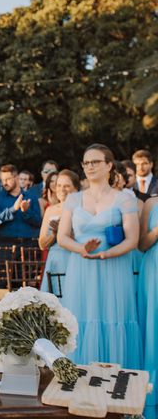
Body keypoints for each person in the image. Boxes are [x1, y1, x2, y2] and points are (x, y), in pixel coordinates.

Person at [57, 144, 142, 368]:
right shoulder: (73, 199)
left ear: (109, 166)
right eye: (86, 163)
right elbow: (62, 237)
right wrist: (81, 249)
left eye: (95, 162)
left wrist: (105, 254)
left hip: (114, 266)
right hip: (81, 266)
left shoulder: (124, 199)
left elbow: (132, 239)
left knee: (114, 319)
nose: (90, 166)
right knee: (80, 320)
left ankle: (117, 387)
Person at [39, 170, 80, 298]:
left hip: (74, 259)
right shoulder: (51, 210)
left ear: (76, 188)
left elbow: (83, 241)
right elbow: (41, 244)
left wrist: (65, 231)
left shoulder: (81, 209)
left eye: (66, 186)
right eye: (59, 185)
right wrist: (54, 234)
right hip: (55, 260)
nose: (62, 189)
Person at [138, 195, 158, 408]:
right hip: (154, 272)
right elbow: (141, 244)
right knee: (154, 330)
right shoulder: (151, 204)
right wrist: (156, 232)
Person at [0, 164, 42, 249]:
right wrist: (13, 209)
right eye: (2, 180)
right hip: (5, 245)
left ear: (16, 178)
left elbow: (38, 222)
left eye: (7, 179)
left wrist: (26, 211)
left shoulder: (31, 197)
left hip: (28, 245)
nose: (4, 183)